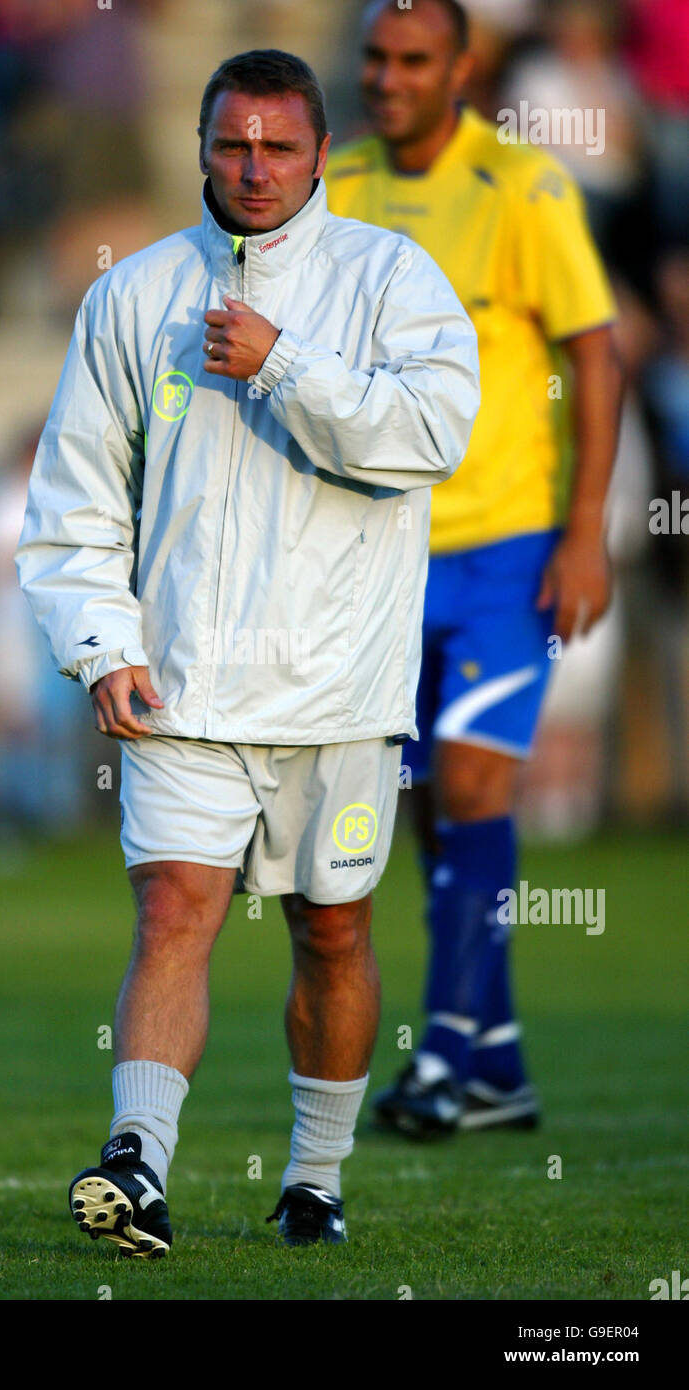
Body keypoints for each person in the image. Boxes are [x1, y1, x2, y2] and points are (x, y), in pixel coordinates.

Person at [16, 48, 479, 1254]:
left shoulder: (392, 277)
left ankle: (314, 1181)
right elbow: (73, 498)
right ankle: (140, 1166)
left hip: (340, 688)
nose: (255, 169)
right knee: (174, 909)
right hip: (179, 682)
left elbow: (430, 433)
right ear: (201, 150)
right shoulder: (133, 295)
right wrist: (99, 641)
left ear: (322, 153)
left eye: (279, 147)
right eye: (233, 146)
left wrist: (280, 360)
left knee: (333, 933)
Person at [324, 0, 622, 1138]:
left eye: (412, 59)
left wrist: (584, 524)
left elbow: (591, 352)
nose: (388, 77)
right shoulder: (335, 185)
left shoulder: (522, 187)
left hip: (503, 549)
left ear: (460, 65)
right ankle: (496, 1061)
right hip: (381, 552)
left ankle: (442, 1058)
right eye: (374, 58)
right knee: (426, 817)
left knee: (474, 786)